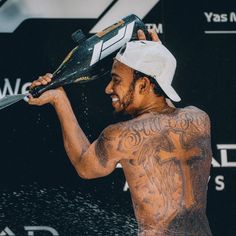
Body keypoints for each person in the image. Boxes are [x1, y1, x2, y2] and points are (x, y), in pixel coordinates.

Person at [28, 30, 212, 236]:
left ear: (143, 84)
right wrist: (156, 60)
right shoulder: (199, 119)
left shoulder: (122, 135)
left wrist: (58, 100)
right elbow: (162, 103)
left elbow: (85, 166)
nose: (108, 89)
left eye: (116, 80)